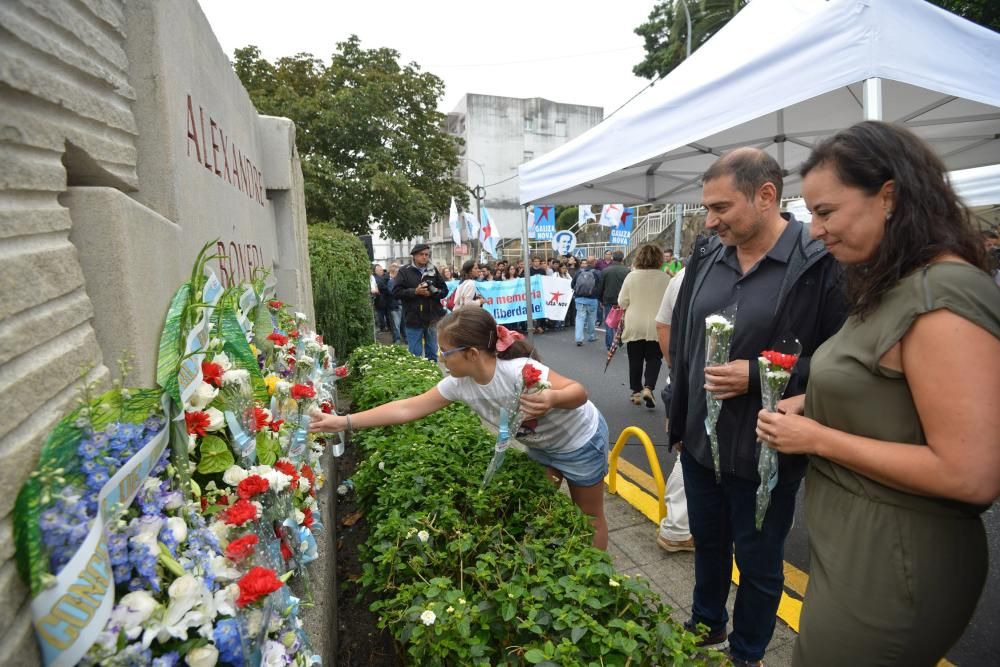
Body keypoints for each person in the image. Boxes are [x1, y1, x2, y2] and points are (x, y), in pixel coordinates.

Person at [755, 122, 1000, 667]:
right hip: (859, 554)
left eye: (826, 211)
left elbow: (970, 473)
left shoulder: (942, 293)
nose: (814, 230)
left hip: (892, 567)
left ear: (888, 197)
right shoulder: (897, 285)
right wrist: (811, 404)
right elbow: (889, 400)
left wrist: (817, 437)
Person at [668, 147, 847, 666]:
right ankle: (705, 626)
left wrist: (760, 374)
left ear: (766, 196)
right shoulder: (707, 253)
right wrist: (679, 420)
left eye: (721, 207)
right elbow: (684, 339)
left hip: (767, 451)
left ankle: (747, 653)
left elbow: (846, 360)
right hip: (703, 446)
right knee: (708, 544)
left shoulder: (819, 259)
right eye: (707, 208)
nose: (710, 220)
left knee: (760, 563)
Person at [309, 307, 611, 548]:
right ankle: (561, 558)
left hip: (579, 443)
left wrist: (552, 398)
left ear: (472, 354)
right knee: (537, 507)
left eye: (445, 351)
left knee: (590, 517)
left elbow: (579, 392)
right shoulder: (459, 385)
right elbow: (406, 408)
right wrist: (342, 422)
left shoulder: (519, 371)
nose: (440, 357)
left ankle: (595, 576)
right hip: (542, 447)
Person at [654, 266, 692, 552]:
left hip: (683, 381)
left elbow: (663, 325)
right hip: (699, 383)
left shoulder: (685, 274)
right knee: (691, 455)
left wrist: (674, 368)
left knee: (688, 453)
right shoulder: (694, 273)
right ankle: (677, 528)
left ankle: (677, 526)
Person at [617, 244, 669, 407]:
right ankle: (649, 387)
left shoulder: (631, 277)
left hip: (635, 323)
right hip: (658, 324)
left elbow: (622, 302)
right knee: (654, 358)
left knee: (635, 358)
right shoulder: (666, 278)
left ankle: (636, 392)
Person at [392, 243, 448, 362]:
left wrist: (432, 293)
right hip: (413, 318)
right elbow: (396, 292)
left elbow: (445, 291)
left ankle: (432, 378)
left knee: (432, 352)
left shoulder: (433, 270)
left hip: (432, 318)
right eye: (421, 254)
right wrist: (415, 291)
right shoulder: (404, 271)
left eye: (427, 254)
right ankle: (417, 377)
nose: (424, 257)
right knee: (415, 355)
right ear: (414, 256)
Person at [597, 250, 630, 349]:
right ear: (622, 259)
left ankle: (609, 344)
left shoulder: (605, 271)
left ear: (612, 258)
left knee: (609, 322)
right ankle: (620, 340)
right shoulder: (627, 271)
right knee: (621, 321)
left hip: (608, 299)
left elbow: (601, 287)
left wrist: (600, 300)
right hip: (622, 300)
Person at [571, 259, 600, 346]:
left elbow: (572, 285)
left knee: (580, 318)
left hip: (579, 299)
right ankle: (591, 336)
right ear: (594, 263)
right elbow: (600, 285)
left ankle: (579, 338)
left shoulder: (579, 272)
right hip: (592, 299)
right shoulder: (597, 273)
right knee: (591, 318)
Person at [529, 257, 548, 334]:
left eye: (538, 261)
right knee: (533, 309)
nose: (537, 263)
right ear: (533, 262)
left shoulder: (542, 270)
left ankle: (541, 326)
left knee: (541, 308)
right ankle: (533, 326)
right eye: (535, 261)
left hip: (540, 292)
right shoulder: (529, 270)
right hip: (532, 292)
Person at [385, 264, 402, 343]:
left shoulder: (399, 282)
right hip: (394, 306)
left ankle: (403, 339)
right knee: (396, 324)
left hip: (400, 305)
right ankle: (397, 339)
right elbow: (391, 292)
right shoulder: (391, 282)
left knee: (402, 323)